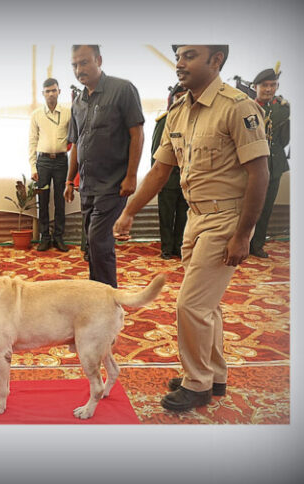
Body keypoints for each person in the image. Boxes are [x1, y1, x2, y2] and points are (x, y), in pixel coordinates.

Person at [113, 45, 270, 412]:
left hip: (225, 219)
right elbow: (159, 171)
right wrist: (129, 213)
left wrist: (243, 234)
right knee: (206, 306)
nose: (180, 63)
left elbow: (259, 173)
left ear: (216, 60)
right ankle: (213, 376)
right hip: (195, 219)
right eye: (179, 55)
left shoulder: (238, 107)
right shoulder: (179, 112)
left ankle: (196, 383)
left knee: (192, 305)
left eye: (190, 55)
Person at [64, 44, 145, 287]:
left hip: (113, 184)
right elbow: (77, 143)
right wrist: (70, 180)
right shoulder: (78, 101)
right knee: (92, 245)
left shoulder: (122, 89)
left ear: (98, 60)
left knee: (99, 241)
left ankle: (109, 300)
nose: (79, 69)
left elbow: (137, 134)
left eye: (84, 62)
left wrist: (131, 176)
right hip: (88, 186)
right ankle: (96, 295)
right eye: (75, 65)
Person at [250, 66, 290, 258]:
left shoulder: (282, 109)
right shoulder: (246, 106)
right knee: (247, 206)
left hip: (273, 165)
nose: (268, 89)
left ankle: (257, 244)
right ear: (255, 86)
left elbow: (284, 139)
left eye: (273, 85)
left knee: (266, 207)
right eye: (264, 85)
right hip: (249, 166)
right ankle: (242, 242)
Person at [29, 78, 72, 252]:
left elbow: (75, 139)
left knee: (61, 201)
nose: (51, 94)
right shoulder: (37, 115)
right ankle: (45, 237)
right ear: (43, 94)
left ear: (59, 92)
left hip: (61, 161)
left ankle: (59, 237)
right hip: (43, 163)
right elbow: (32, 141)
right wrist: (33, 167)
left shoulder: (68, 113)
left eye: (54, 90)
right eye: (47, 91)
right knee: (43, 200)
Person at [152, 84, 189, 259]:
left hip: (187, 179)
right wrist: (156, 181)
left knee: (184, 216)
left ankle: (178, 247)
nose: (181, 100)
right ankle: (166, 248)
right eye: (178, 97)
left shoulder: (194, 120)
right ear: (172, 99)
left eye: (185, 96)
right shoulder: (164, 121)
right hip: (168, 179)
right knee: (166, 217)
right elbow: (155, 153)